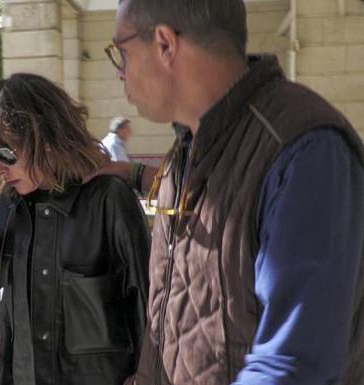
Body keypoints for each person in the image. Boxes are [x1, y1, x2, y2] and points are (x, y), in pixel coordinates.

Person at [104, 1, 364, 384]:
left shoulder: (304, 149)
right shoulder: (186, 151)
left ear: (165, 44)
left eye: (121, 53)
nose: (121, 74)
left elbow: (293, 365)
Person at [0, 73, 150, 385]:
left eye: (5, 153)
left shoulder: (109, 200)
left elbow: (150, 306)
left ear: (46, 138)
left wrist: (146, 376)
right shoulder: (13, 204)